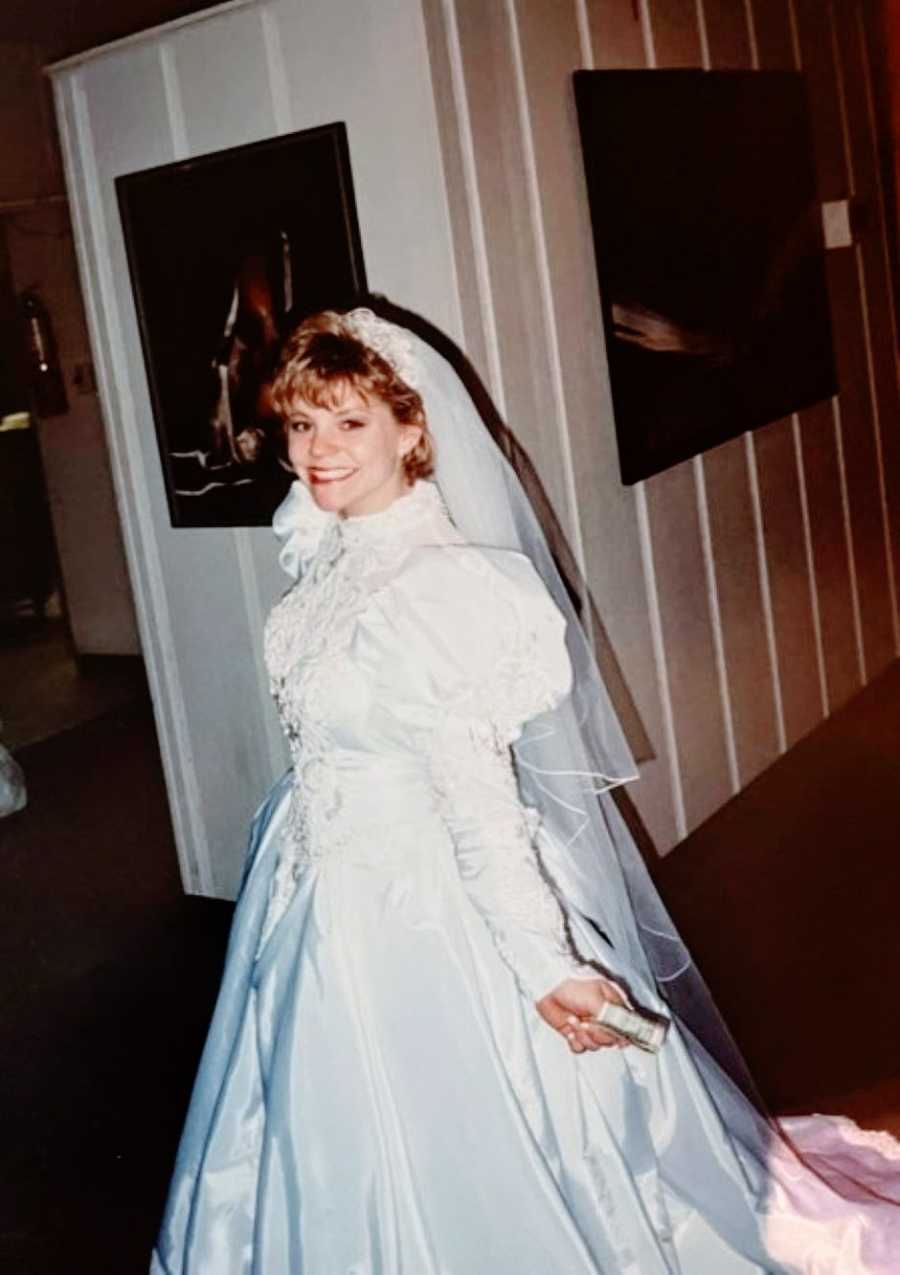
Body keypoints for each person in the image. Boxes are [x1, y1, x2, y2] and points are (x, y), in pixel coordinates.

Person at [151, 308, 899, 1274]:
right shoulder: (335, 556)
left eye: (348, 424)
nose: (317, 453)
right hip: (316, 886)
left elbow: (481, 808)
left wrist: (547, 967)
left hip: (424, 900)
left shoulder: (451, 591)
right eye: (300, 425)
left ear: (412, 430)